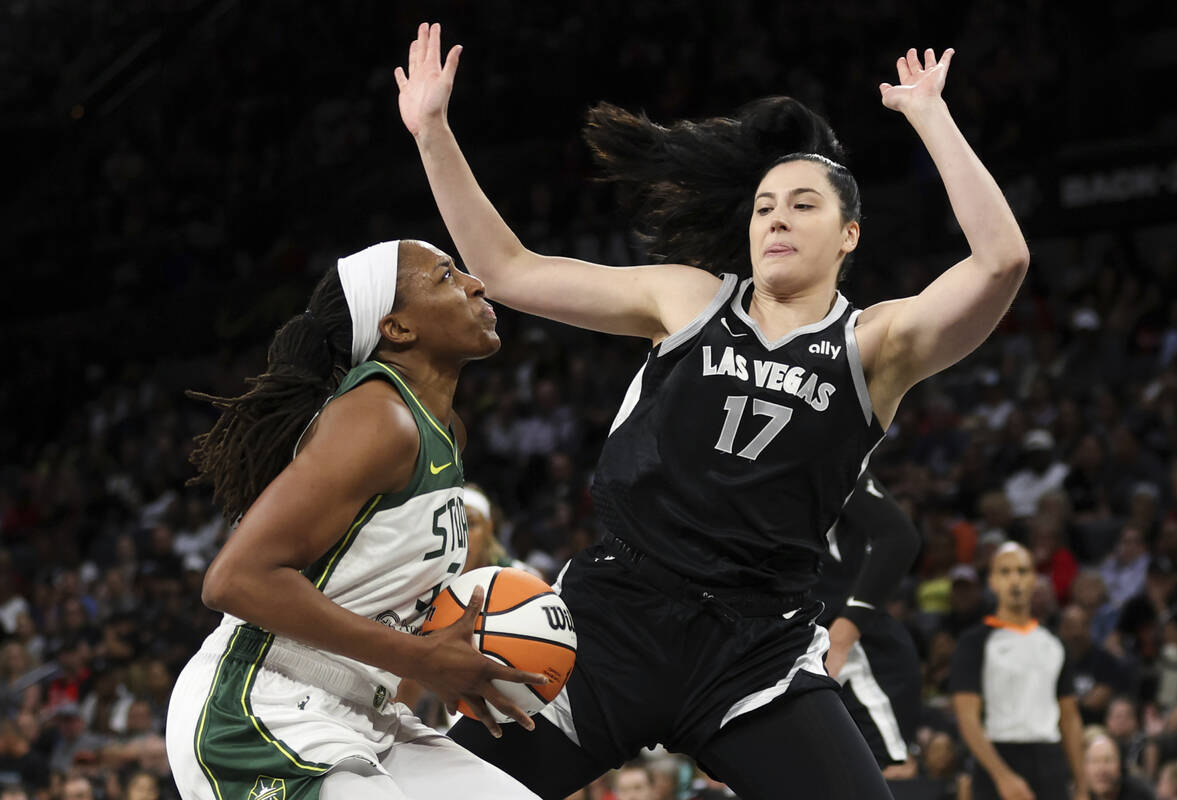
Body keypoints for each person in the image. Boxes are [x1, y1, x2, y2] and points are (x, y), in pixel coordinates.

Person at [397, 22, 1029, 800]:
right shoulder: (691, 298)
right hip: (613, 620)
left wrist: (930, 115)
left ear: (849, 234)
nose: (777, 219)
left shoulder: (876, 342)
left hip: (755, 649)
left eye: (803, 205)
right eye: (765, 206)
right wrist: (432, 132)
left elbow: (1002, 262)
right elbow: (508, 268)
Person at [164, 240, 549, 799]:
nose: (476, 284)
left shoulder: (446, 433)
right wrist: (421, 658)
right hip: (256, 709)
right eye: (446, 276)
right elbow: (234, 580)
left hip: (365, 709)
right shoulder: (379, 416)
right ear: (397, 328)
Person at [950, 542, 1086, 800]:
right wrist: (1002, 776)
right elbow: (967, 717)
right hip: (999, 754)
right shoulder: (974, 642)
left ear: (1034, 579)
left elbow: (1070, 718)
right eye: (1005, 571)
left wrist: (1081, 786)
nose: (1015, 580)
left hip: (1050, 759)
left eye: (1022, 571)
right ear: (992, 581)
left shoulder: (1054, 643)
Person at [817, 471, 923, 770]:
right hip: (790, 656)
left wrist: (843, 635)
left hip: (857, 662)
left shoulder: (814, 445)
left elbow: (900, 537)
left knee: (876, 776)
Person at [1080, 727, 1153, 800]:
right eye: (1094, 761)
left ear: (1121, 765)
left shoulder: (1140, 793)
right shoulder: (1077, 794)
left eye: (1108, 761)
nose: (1101, 770)